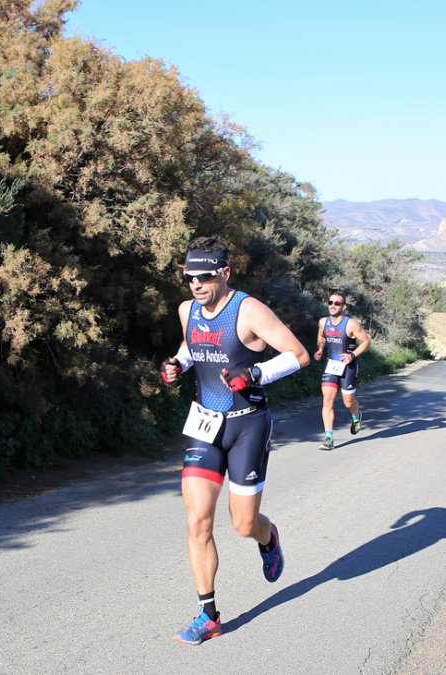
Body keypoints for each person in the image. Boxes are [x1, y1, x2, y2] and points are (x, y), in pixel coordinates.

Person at [159, 236, 310, 646]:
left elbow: (298, 355)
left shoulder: (248, 310)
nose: (196, 284)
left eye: (205, 276)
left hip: (248, 425)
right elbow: (194, 346)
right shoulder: (186, 309)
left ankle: (269, 537)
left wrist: (257, 375)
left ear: (224, 273)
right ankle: (208, 615)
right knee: (197, 521)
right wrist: (177, 365)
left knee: (243, 524)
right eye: (190, 277)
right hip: (205, 425)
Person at [313, 292, 371, 450]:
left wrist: (352, 355)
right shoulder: (323, 322)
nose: (333, 305)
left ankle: (356, 414)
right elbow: (321, 337)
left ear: (344, 307)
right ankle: (329, 438)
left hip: (348, 367)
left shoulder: (351, 324)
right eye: (330, 302)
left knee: (348, 402)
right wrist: (319, 349)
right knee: (327, 401)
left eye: (337, 303)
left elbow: (366, 342)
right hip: (331, 365)